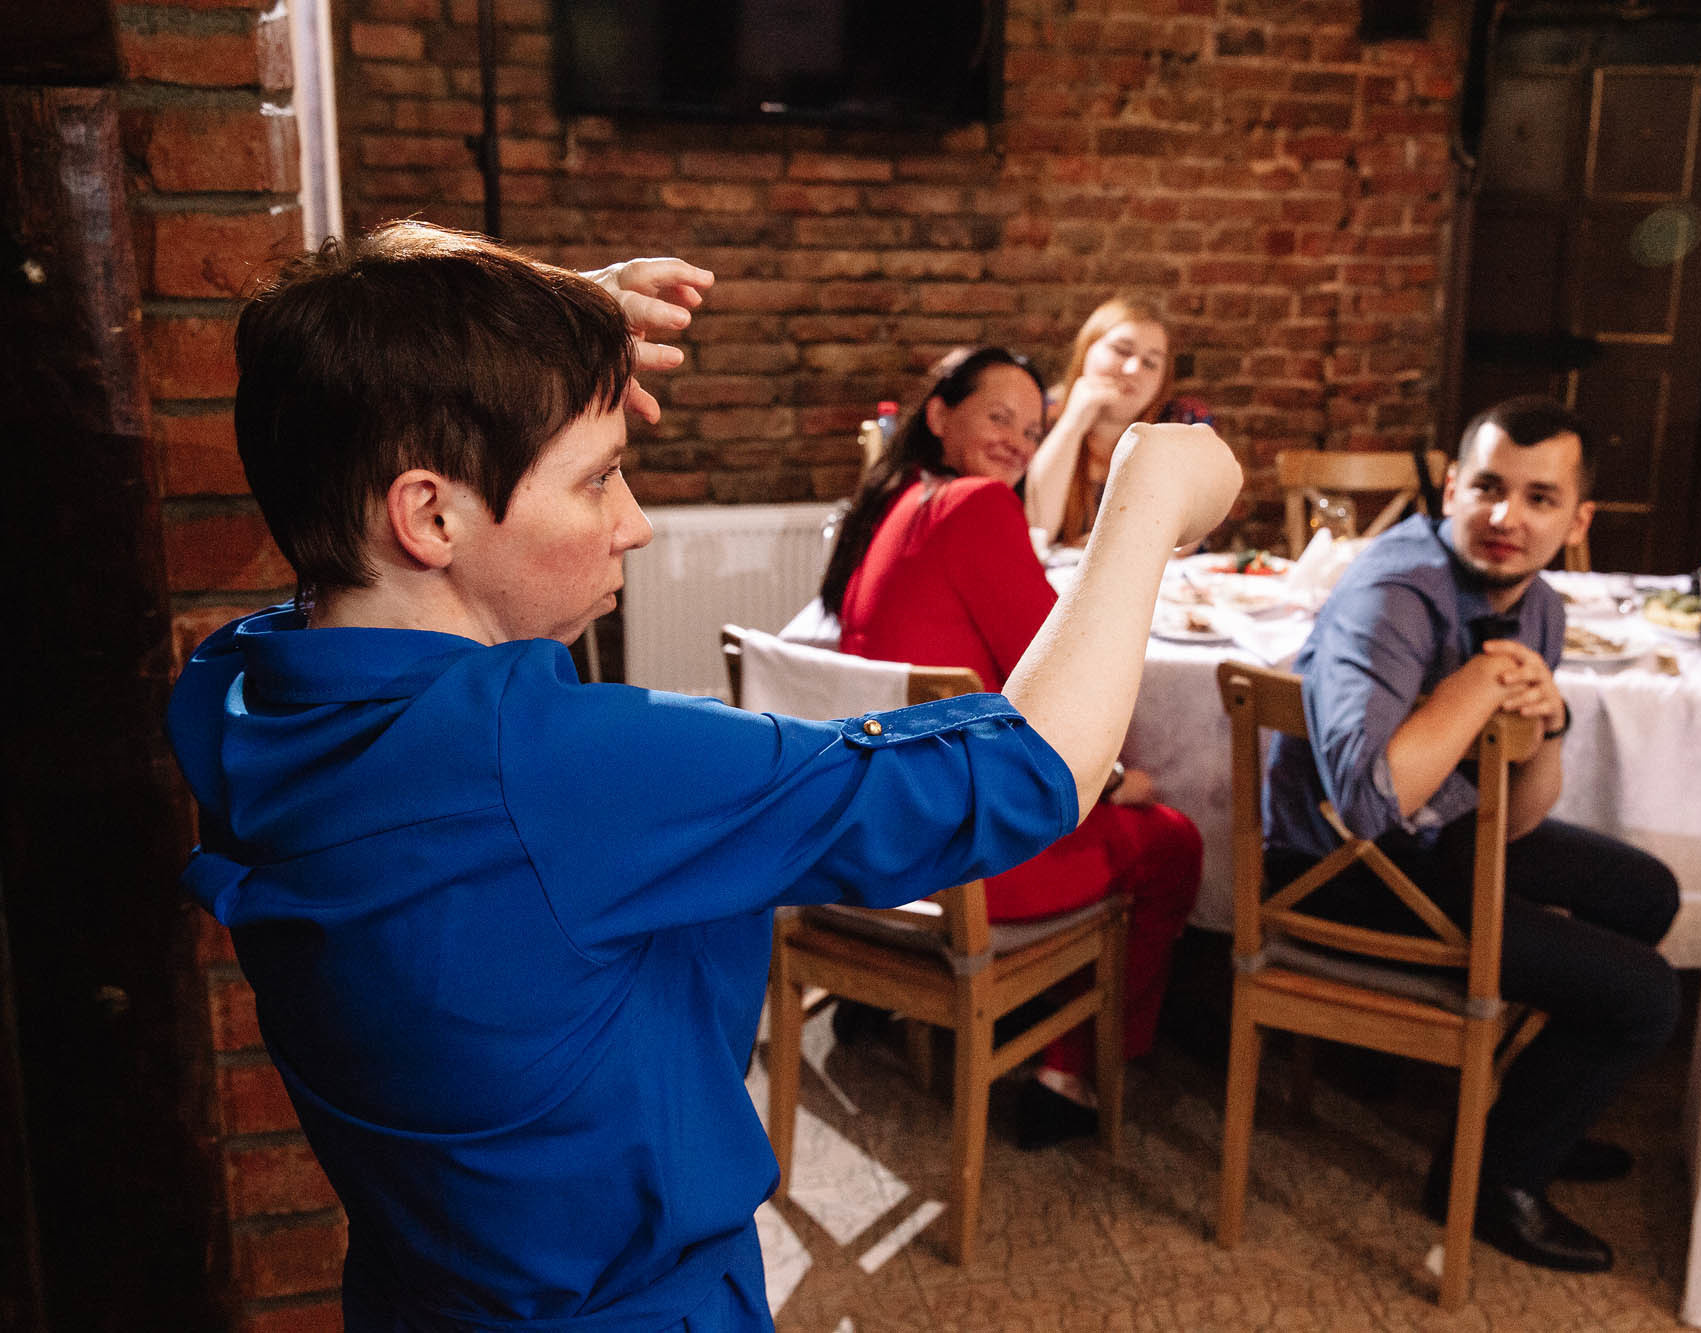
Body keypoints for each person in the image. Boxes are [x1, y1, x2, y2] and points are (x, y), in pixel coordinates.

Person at [165, 223, 1242, 1332]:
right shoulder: (567, 774)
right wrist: (1144, 506)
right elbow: (1026, 773)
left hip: (423, 1288)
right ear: (430, 514)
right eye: (598, 480)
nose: (632, 524)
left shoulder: (243, 690)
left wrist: (520, 341)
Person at [1263, 396, 1680, 1275]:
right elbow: (1368, 803)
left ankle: (1538, 1111)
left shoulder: (1545, 611)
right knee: (1644, 997)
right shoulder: (1392, 592)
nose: (1506, 518)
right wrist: (1485, 681)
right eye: (1488, 487)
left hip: (1440, 842)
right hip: (1335, 868)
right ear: (1451, 487)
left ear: (1577, 520)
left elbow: (1517, 819)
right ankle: (1494, 1181)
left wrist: (1553, 726)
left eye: (1540, 498)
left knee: (1647, 893)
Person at [819, 346, 1203, 1148]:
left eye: (1032, 429)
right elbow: (1077, 679)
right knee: (1171, 839)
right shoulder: (976, 508)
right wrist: (1123, 775)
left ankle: (889, 992)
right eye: (1000, 417)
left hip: (864, 830)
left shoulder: (886, 503)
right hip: (951, 856)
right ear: (939, 414)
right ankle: (1070, 1072)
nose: (1019, 443)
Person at [1024, 298, 1174, 547]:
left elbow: (1184, 541)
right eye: (1122, 350)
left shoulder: (1177, 425)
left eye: (1150, 363)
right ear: (1086, 349)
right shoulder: (1036, 418)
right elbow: (1039, 529)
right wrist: (1074, 422)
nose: (1133, 368)